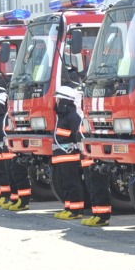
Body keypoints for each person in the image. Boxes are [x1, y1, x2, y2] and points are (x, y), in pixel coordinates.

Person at [50, 85, 87, 219]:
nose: (57, 102)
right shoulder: (63, 117)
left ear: (64, 101)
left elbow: (78, 136)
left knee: (72, 183)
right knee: (65, 183)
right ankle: (68, 207)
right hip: (61, 157)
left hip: (69, 157)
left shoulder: (72, 117)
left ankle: (76, 210)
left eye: (59, 99)